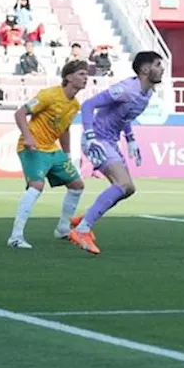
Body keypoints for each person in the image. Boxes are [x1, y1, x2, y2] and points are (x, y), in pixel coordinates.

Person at [68, 51, 165, 255]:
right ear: (145, 69)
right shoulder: (126, 89)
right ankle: (82, 229)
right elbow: (88, 105)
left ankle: (85, 218)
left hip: (110, 141)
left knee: (128, 189)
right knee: (123, 184)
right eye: (158, 64)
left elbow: (125, 116)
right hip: (97, 140)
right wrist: (91, 135)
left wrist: (130, 138)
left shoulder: (146, 93)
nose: (162, 68)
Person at [6, 60, 91, 249]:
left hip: (52, 150)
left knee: (77, 185)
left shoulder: (75, 104)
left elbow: (64, 129)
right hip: (32, 147)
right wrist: (28, 138)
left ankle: (62, 228)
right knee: (37, 185)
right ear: (68, 77)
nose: (86, 78)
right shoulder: (49, 95)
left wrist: (67, 154)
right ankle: (15, 237)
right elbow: (20, 113)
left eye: (87, 74)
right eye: (82, 74)